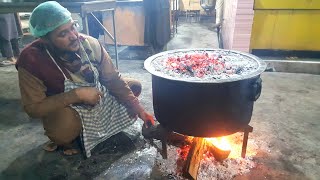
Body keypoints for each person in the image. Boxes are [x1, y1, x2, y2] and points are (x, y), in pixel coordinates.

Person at [16, 1, 155, 157]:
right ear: (45, 40)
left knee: (133, 87)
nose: (74, 36)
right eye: (63, 34)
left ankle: (93, 127)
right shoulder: (31, 60)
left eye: (73, 27)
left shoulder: (90, 44)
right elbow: (33, 108)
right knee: (63, 129)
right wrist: (76, 95)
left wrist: (140, 110)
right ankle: (70, 137)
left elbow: (113, 79)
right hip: (66, 107)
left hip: (95, 95)